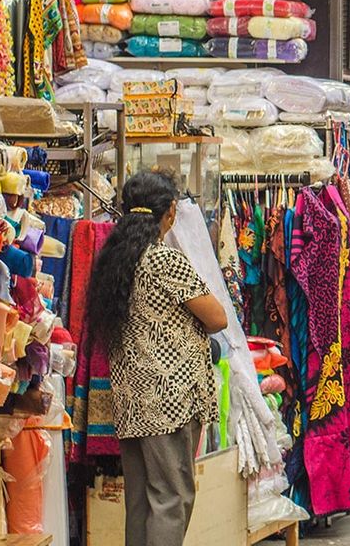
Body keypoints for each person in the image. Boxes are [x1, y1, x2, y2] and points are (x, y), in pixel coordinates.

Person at [87, 170, 227, 546]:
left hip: (132, 400)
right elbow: (217, 318)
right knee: (172, 498)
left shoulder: (115, 262)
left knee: (141, 501)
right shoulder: (165, 261)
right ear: (170, 213)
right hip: (170, 400)